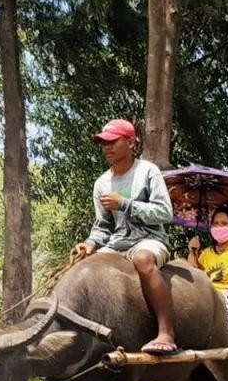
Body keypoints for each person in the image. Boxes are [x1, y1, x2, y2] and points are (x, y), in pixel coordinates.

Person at [71, 119, 177, 355]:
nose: (106, 147)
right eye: (103, 143)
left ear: (130, 143)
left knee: (142, 259)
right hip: (116, 244)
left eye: (112, 142)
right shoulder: (101, 183)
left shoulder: (147, 171)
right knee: (82, 267)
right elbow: (102, 226)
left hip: (149, 239)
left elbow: (164, 212)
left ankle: (166, 332)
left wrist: (125, 204)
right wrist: (89, 244)